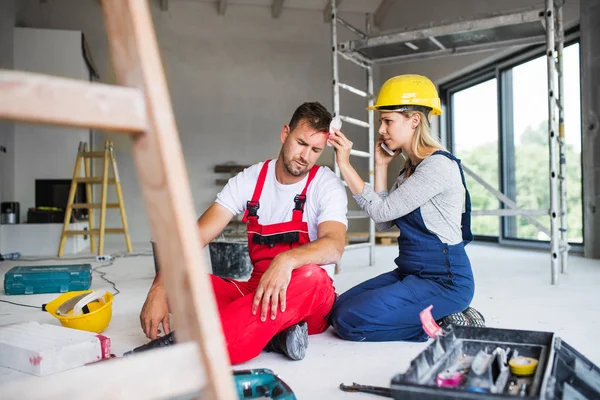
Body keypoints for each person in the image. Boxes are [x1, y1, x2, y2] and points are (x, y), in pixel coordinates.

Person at [139, 102, 348, 364]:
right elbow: (197, 236)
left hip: (307, 297)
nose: (305, 156)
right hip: (257, 290)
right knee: (179, 280)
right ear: (285, 134)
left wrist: (286, 261)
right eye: (301, 143)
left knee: (313, 276)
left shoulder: (326, 185)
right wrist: (160, 286)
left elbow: (334, 246)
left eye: (316, 150)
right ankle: (274, 335)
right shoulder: (250, 179)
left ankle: (210, 340)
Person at [327, 74, 484, 343]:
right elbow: (383, 224)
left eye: (388, 121)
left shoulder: (437, 166)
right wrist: (381, 166)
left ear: (414, 121)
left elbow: (380, 212)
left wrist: (345, 165)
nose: (381, 130)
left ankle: (448, 323)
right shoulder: (410, 169)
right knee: (337, 308)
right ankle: (436, 316)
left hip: (444, 281)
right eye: (381, 122)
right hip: (411, 272)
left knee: (349, 322)